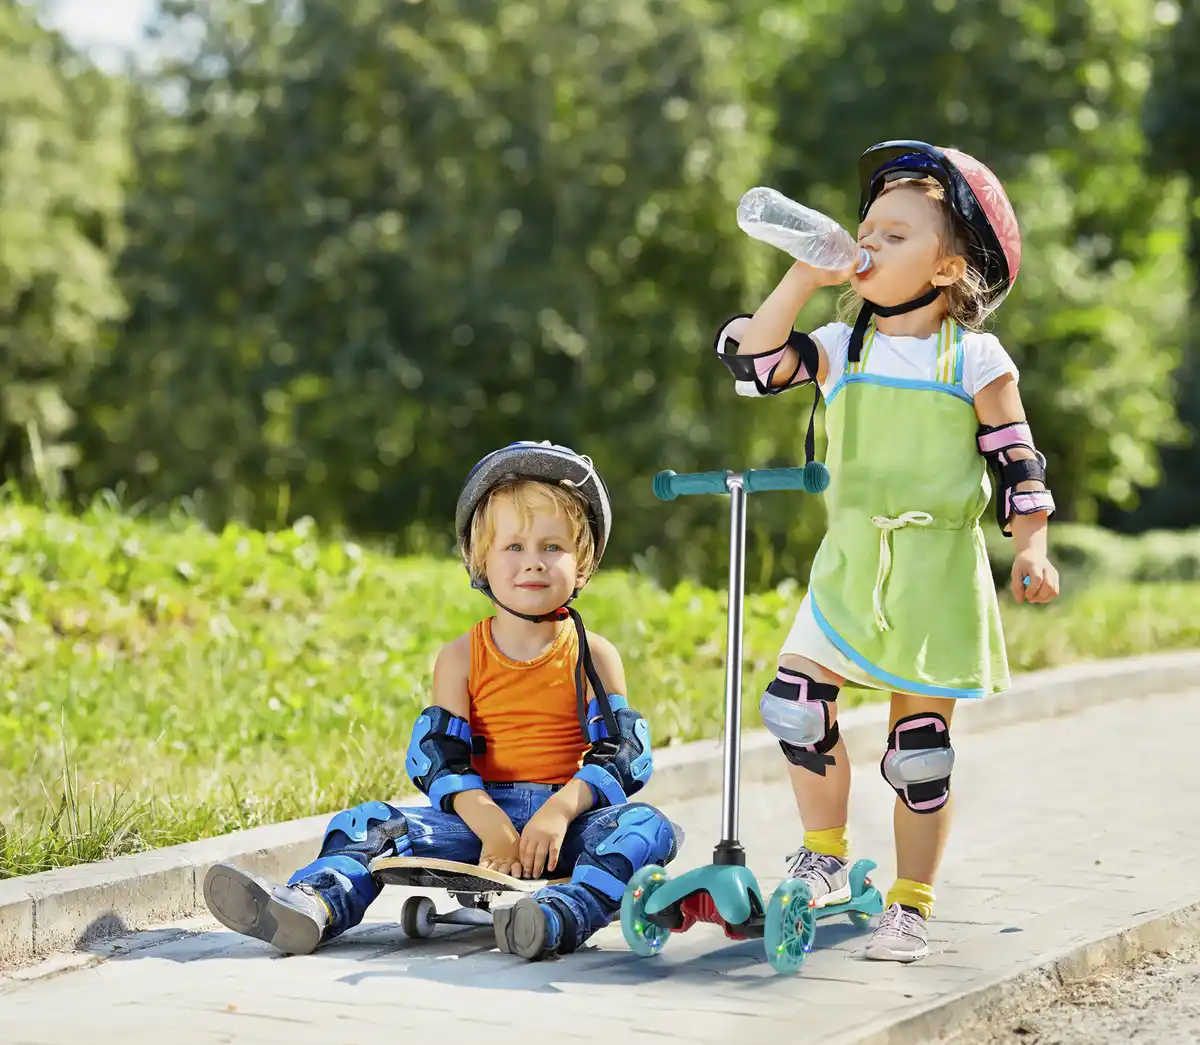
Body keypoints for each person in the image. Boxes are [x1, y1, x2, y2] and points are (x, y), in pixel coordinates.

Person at [713, 141, 1060, 962]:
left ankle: (910, 903)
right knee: (796, 705)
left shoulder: (975, 358)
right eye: (865, 228)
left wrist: (1034, 548)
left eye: (895, 236)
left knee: (920, 756)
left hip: (935, 575)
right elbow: (754, 358)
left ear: (947, 269)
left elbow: (1019, 463)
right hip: (852, 561)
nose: (866, 243)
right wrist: (805, 271)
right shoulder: (841, 345)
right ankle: (825, 851)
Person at [203, 441, 681, 961]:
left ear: (582, 562)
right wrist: (492, 826)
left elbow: (623, 753)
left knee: (646, 828)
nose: (534, 564)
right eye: (514, 548)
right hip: (477, 821)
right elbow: (439, 759)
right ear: (482, 560)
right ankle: (312, 905)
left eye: (553, 548)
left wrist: (559, 812)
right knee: (367, 824)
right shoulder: (461, 658)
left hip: (566, 823)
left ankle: (557, 915)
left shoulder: (594, 655)